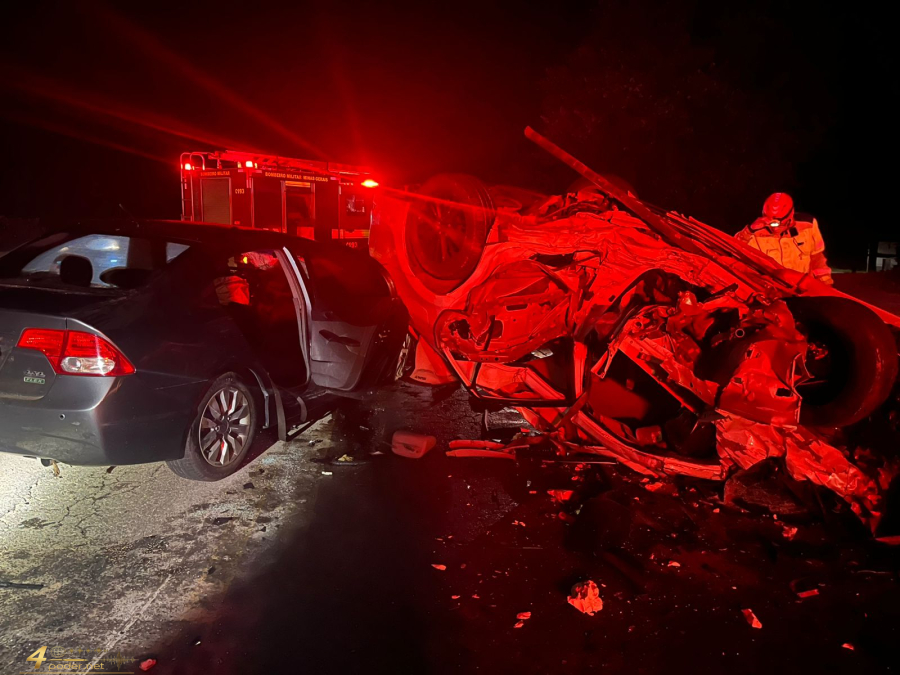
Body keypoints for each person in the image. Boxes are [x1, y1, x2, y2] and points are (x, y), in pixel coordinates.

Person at [736, 192, 833, 285]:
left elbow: (818, 258)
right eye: (769, 220)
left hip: (803, 288)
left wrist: (826, 283)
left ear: (790, 214)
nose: (774, 227)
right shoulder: (755, 233)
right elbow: (734, 250)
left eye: (778, 222)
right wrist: (749, 231)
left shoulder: (808, 225)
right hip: (774, 290)